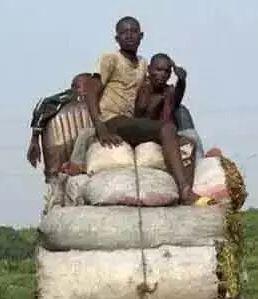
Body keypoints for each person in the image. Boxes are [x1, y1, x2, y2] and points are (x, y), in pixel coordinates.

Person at [83, 17, 195, 203]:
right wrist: (100, 127)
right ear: (116, 38)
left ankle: (187, 188)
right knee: (167, 128)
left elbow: (159, 88)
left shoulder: (143, 64)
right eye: (124, 32)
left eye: (133, 31)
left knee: (187, 142)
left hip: (132, 122)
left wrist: (179, 80)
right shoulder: (110, 59)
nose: (129, 35)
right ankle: (184, 190)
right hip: (113, 120)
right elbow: (90, 91)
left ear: (141, 36)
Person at [26, 73, 93, 180]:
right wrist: (34, 140)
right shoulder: (65, 99)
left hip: (61, 167)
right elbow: (43, 103)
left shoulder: (56, 103)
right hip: (65, 163)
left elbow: (42, 104)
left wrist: (35, 139)